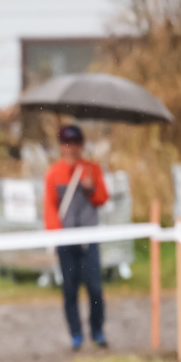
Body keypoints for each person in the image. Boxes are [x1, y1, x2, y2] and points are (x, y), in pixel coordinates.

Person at [45, 125, 109, 350]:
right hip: (66, 241)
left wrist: (91, 189)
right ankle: (76, 335)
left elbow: (102, 199)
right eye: (66, 142)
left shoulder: (92, 169)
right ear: (61, 146)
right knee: (70, 289)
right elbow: (50, 207)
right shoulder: (54, 173)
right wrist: (56, 234)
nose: (70, 147)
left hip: (89, 239)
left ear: (81, 145)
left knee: (95, 287)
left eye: (74, 142)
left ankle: (98, 331)